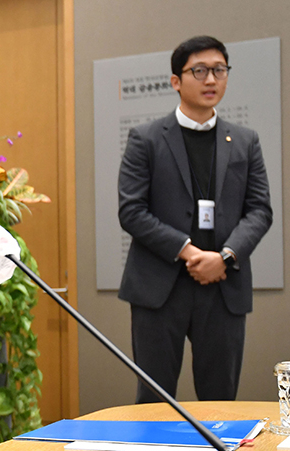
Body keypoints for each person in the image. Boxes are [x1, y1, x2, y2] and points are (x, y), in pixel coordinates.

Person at [118, 35, 272, 404]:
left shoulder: (245, 140)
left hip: (223, 286)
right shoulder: (146, 138)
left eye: (219, 70)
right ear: (176, 81)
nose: (210, 80)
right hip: (159, 287)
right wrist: (189, 252)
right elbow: (131, 211)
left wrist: (226, 255)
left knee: (221, 401)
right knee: (154, 402)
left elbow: (260, 210)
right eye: (199, 71)